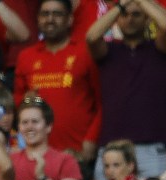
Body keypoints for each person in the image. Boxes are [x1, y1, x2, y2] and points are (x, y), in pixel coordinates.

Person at [86, 0, 166, 180]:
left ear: (147, 19)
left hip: (150, 146)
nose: (130, 19)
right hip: (112, 147)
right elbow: (91, 37)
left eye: (136, 15)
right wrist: (120, 6)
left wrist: (140, 1)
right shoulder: (108, 51)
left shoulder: (160, 50)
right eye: (124, 15)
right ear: (117, 19)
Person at [14, 0, 101, 162]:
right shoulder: (26, 57)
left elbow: (102, 102)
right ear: (38, 19)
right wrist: (26, 102)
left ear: (70, 20)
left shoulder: (85, 53)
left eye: (57, 14)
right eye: (45, 14)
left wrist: (91, 140)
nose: (50, 19)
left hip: (78, 153)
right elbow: (18, 102)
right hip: (37, 154)